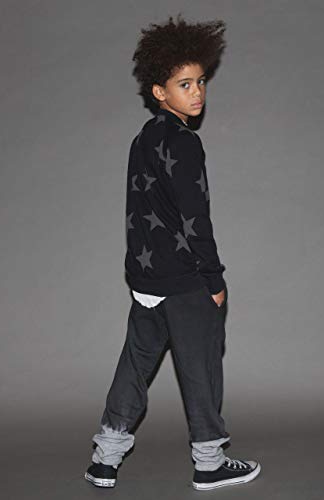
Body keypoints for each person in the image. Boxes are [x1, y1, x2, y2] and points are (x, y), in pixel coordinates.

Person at [84, 13, 261, 491]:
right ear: (159, 91)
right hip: (184, 280)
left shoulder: (143, 138)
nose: (197, 93)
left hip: (147, 280)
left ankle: (105, 460)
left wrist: (139, 274)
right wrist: (214, 279)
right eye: (185, 84)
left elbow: (138, 213)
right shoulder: (184, 143)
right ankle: (209, 463)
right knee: (200, 369)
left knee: (134, 366)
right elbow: (194, 218)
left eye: (201, 82)